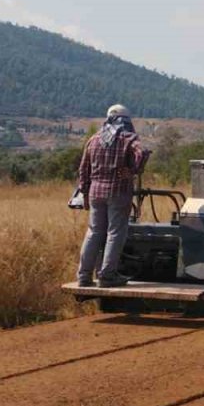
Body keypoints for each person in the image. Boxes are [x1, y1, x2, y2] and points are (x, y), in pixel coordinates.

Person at [76, 104, 150, 288]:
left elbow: (83, 169)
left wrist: (85, 193)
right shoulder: (128, 138)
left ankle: (84, 276)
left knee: (93, 232)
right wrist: (133, 170)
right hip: (118, 192)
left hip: (95, 193)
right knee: (115, 233)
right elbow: (143, 152)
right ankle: (107, 275)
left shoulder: (93, 140)